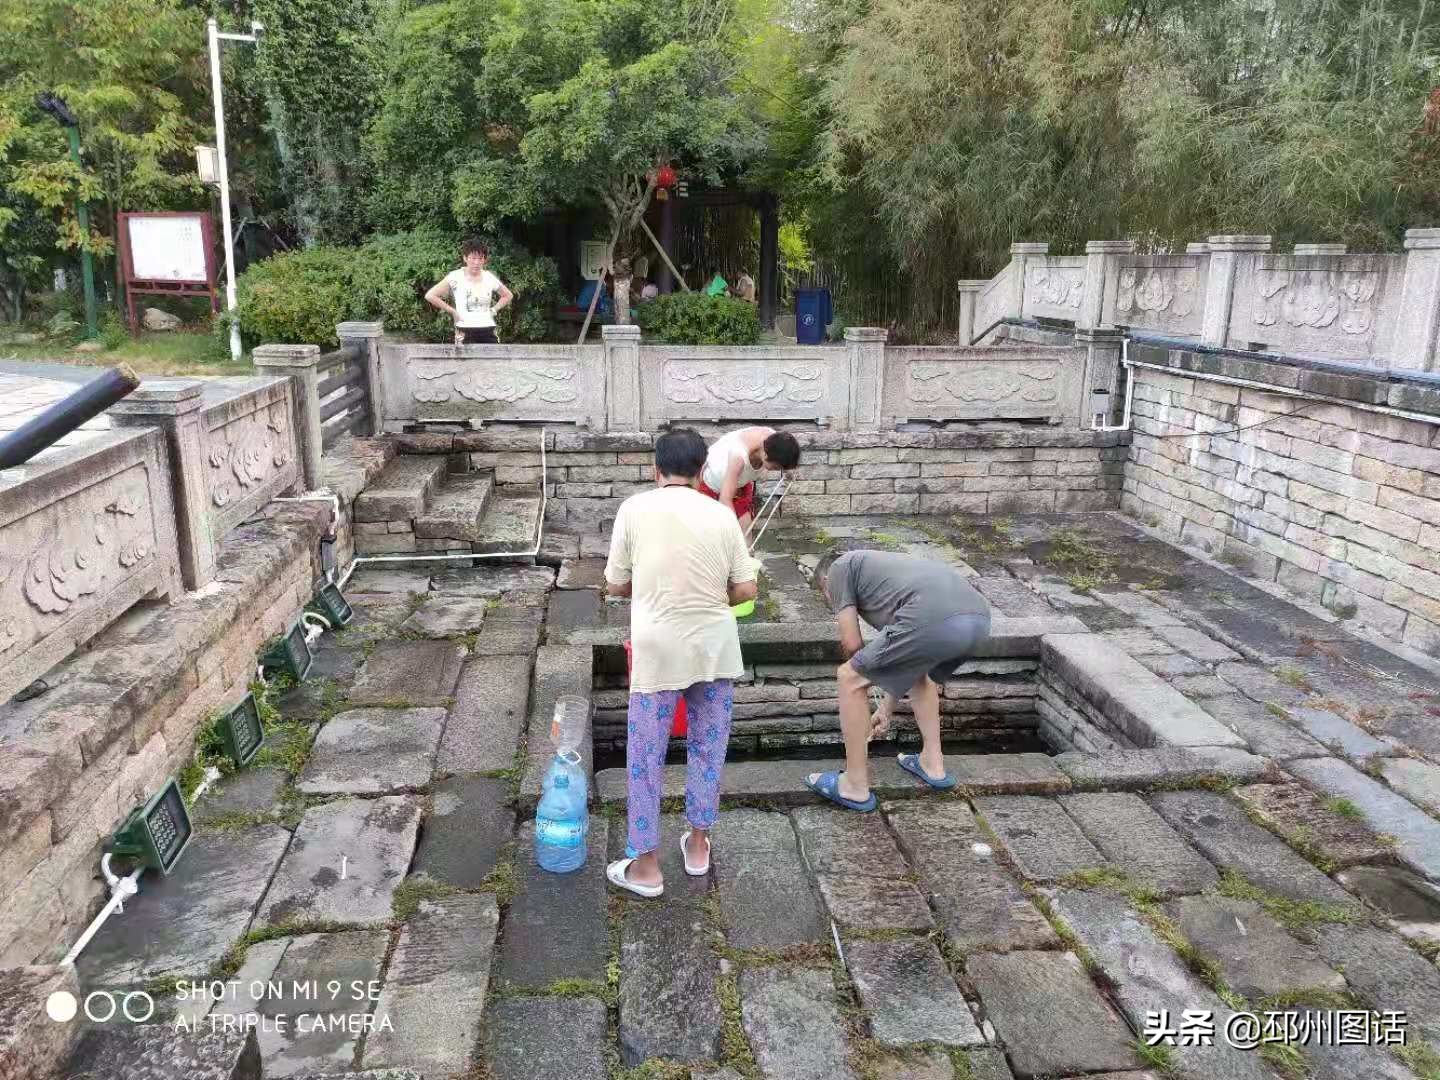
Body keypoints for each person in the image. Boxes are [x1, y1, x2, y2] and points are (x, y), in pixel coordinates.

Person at [604, 428, 758, 898]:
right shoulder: (721, 514)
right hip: (714, 649)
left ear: (656, 469)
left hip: (658, 653)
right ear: (699, 472)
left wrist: (641, 587)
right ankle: (696, 844)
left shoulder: (633, 509)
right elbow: (746, 590)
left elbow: (615, 584)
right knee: (707, 748)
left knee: (646, 758)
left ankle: (647, 867)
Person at [806, 549, 992, 811]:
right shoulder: (884, 575)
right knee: (921, 675)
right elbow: (907, 662)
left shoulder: (838, 568)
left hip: (936, 615)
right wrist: (885, 708)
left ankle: (854, 785)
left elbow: (852, 643)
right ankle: (933, 763)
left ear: (825, 585)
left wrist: (863, 689)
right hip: (979, 619)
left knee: (848, 677)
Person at [698, 427, 800, 534]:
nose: (777, 470)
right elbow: (725, 499)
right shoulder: (738, 457)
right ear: (765, 454)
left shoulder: (773, 440)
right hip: (712, 484)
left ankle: (746, 550)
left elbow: (785, 453)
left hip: (738, 482)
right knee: (717, 531)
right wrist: (734, 530)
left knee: (745, 526)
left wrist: (789, 470)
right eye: (776, 467)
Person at [425, 238, 513, 344]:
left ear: (484, 260)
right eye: (473, 258)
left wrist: (494, 310)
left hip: (487, 328)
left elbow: (507, 295)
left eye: (480, 258)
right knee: (464, 360)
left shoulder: (489, 277)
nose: (476, 262)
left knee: (492, 360)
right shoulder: (455, 276)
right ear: (465, 258)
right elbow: (430, 295)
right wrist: (452, 311)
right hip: (464, 329)